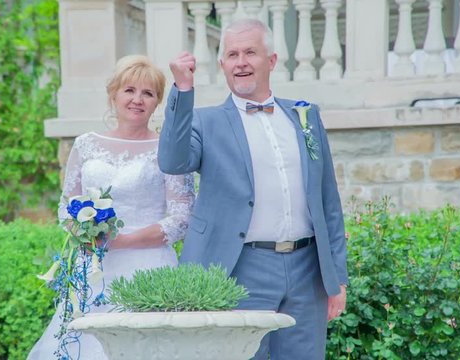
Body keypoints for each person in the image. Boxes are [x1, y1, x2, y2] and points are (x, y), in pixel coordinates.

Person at [158, 19, 347, 360]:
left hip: (308, 271)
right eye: (232, 54)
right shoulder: (205, 121)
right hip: (238, 267)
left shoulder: (306, 116)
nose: (240, 62)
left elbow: (328, 202)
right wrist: (182, 89)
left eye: (250, 53)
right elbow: (172, 161)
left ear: (271, 61)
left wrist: (338, 278)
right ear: (222, 65)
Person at [28, 55, 195, 360]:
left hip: (149, 268)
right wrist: (83, 233)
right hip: (92, 271)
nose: (137, 99)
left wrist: (122, 242)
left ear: (158, 102)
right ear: (113, 94)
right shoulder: (85, 144)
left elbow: (182, 217)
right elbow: (67, 206)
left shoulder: (167, 149)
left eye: (148, 93)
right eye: (129, 90)